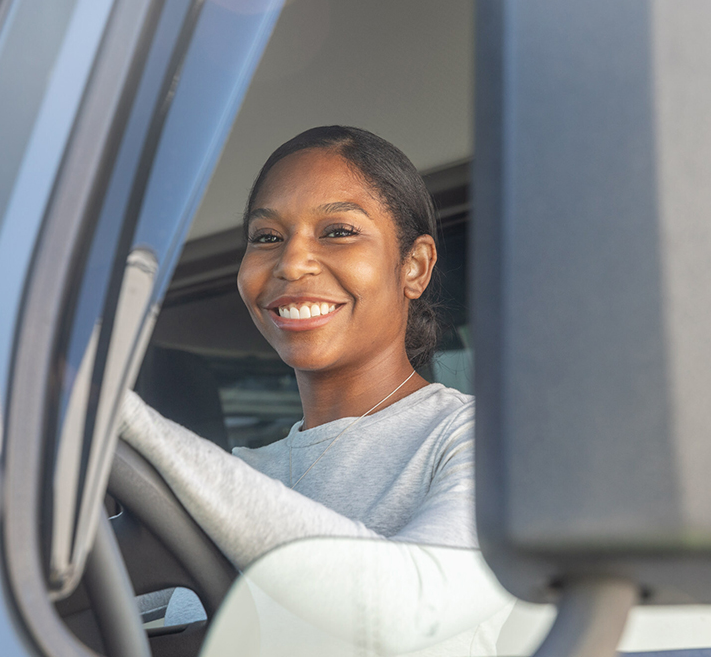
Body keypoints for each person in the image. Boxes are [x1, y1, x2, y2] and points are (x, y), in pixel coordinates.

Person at [119, 127, 500, 649]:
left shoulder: (481, 438)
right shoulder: (244, 473)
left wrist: (122, 416)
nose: (291, 262)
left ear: (414, 266)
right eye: (268, 237)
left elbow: (411, 609)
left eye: (338, 231)